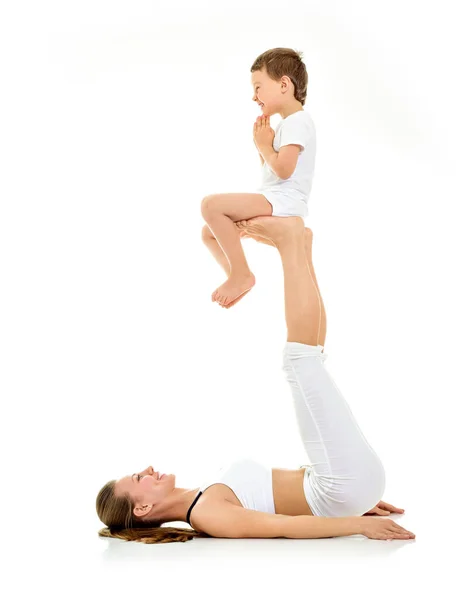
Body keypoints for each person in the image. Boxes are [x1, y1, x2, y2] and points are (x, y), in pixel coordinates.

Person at [96, 216, 415, 544]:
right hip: (340, 488)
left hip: (342, 487)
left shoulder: (201, 496)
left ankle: (299, 246)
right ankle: (290, 244)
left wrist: (356, 502)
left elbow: (286, 502)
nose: (147, 469)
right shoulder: (209, 516)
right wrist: (356, 522)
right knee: (300, 361)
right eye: (138, 478)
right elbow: (284, 527)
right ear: (144, 507)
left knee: (309, 359)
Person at [201, 47, 316, 307]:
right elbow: (274, 172)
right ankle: (236, 275)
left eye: (258, 87)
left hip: (284, 201)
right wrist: (262, 146)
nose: (254, 97)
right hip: (276, 196)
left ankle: (241, 273)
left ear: (284, 84)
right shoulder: (289, 124)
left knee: (210, 205)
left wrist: (265, 146)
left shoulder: (297, 121)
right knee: (209, 233)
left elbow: (284, 171)